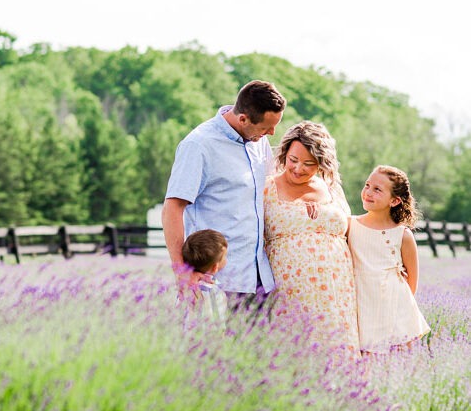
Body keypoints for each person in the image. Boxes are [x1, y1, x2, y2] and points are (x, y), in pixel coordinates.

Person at [162, 80, 287, 308]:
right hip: (218, 280)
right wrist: (182, 272)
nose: (271, 133)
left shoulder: (259, 142)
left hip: (260, 279)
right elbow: (173, 207)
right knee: (216, 345)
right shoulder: (199, 145)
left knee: (260, 345)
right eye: (266, 128)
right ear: (243, 119)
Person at [263, 121, 360, 356]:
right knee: (295, 355)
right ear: (284, 154)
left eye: (308, 164)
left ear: (322, 163)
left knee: (338, 356)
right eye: (293, 160)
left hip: (337, 293)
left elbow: (353, 232)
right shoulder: (266, 188)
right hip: (290, 293)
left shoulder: (332, 188)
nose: (298, 168)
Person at [347, 165, 430, 354]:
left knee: (394, 369)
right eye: (367, 185)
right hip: (362, 310)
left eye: (377, 190)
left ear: (394, 201)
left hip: (395, 312)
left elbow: (412, 283)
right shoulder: (350, 225)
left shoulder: (402, 235)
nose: (368, 192)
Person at [181, 229, 228, 330]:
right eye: (225, 256)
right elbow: (217, 323)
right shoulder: (213, 291)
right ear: (215, 267)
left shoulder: (184, 287)